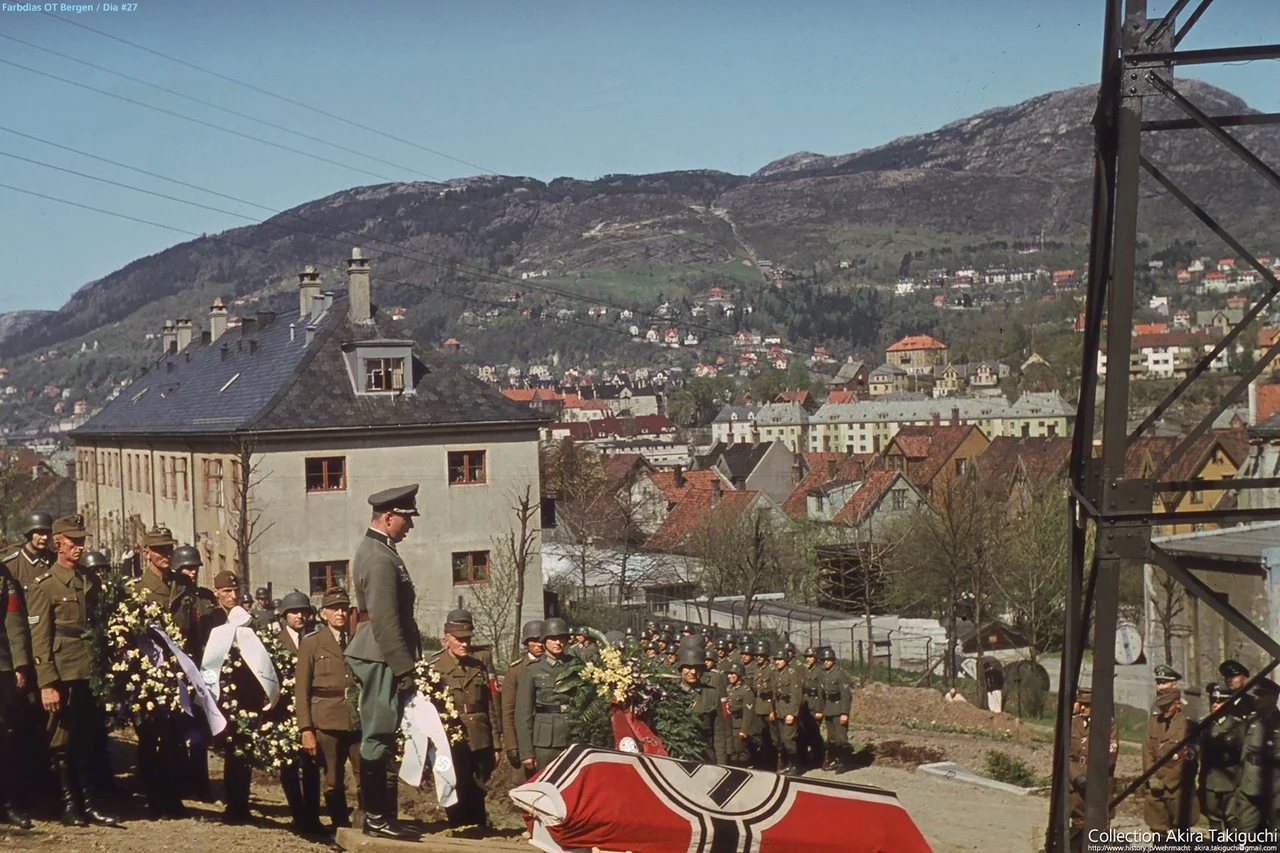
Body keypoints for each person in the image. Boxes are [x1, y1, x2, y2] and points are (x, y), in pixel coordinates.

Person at [27, 515, 119, 827]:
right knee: (62, 741)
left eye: (82, 541)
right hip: (63, 672)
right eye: (73, 541)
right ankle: (68, 805)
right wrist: (47, 682)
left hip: (88, 672)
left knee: (86, 738)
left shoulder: (88, 581)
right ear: (58, 543)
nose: (80, 547)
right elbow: (40, 640)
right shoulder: (45, 585)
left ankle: (86, 803)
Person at [344, 484, 423, 842]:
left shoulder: (381, 550)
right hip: (380, 654)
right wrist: (404, 667)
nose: (409, 526)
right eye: (406, 519)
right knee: (377, 735)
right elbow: (385, 620)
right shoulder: (379, 557)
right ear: (388, 517)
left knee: (382, 734)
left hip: (381, 652)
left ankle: (379, 816)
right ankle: (377, 817)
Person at [134, 526, 192, 819]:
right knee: (150, 736)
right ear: (147, 553)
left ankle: (173, 796)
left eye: (169, 549)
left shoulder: (182, 585)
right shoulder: (136, 589)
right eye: (160, 550)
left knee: (175, 737)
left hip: (179, 672)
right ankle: (153, 796)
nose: (166, 555)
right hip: (149, 675)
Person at [429, 610, 499, 831]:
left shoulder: (478, 666)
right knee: (454, 781)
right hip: (450, 738)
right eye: (459, 639)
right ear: (446, 639)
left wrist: (496, 743)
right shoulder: (435, 667)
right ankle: (458, 828)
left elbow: (490, 706)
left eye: (467, 639)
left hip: (479, 734)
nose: (464, 644)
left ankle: (479, 826)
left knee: (478, 784)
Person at [297, 587, 361, 830]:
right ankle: (339, 827)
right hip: (326, 720)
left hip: (356, 718)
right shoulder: (312, 643)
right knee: (333, 779)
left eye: (343, 608)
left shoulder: (357, 640)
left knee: (363, 776)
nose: (340, 613)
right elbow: (301, 690)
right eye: (334, 608)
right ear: (323, 614)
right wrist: (306, 728)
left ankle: (363, 824)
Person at [276, 591, 322, 834]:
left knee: (313, 766)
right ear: (285, 616)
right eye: (294, 612)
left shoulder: (314, 639)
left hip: (311, 710)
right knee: (289, 766)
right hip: (285, 713)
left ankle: (313, 817)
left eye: (303, 611)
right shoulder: (276, 640)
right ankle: (298, 815)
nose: (299, 616)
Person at [0, 529, 32, 829]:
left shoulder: (4, 576)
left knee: (6, 736)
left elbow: (14, 623)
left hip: (1, 667)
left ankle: (9, 803)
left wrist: (21, 663)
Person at [515, 618, 572, 774]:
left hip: (572, 737)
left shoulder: (575, 666)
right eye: (552, 638)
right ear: (544, 641)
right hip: (545, 742)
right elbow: (523, 713)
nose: (558, 642)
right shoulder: (532, 670)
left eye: (561, 638)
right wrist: (526, 752)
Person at [1143, 688, 1199, 837]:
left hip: (1178, 789)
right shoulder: (1154, 723)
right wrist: (1152, 777)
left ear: (1177, 704)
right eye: (1161, 706)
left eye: (1167, 705)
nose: (1163, 709)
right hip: (1155, 787)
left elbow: (1189, 762)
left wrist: (1167, 782)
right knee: (1158, 833)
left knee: (1180, 834)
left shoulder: (1188, 726)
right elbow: (1147, 751)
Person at [1067, 687, 1118, 852]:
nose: (1083, 708)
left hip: (1098, 785)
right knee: (1077, 827)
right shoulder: (1072, 724)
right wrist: (1077, 776)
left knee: (1098, 829)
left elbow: (1110, 757)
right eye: (1081, 703)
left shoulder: (1108, 725)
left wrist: (1091, 777)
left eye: (1087, 704)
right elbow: (1065, 755)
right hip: (1076, 786)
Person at [1227, 678, 1280, 831]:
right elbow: (1243, 750)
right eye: (1256, 694)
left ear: (1273, 697)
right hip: (1249, 783)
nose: (1256, 698)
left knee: (1275, 831)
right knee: (1245, 829)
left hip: (1274, 785)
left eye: (1261, 695)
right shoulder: (1251, 720)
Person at [1198, 682, 1245, 831]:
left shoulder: (1238, 725)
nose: (1215, 705)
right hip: (1210, 780)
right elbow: (1203, 756)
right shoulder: (1205, 725)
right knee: (1213, 820)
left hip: (1231, 781)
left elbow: (1243, 755)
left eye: (1219, 702)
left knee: (1233, 821)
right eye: (1213, 701)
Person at [676, 645, 728, 765]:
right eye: (688, 667)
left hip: (704, 757)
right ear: (680, 668)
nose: (693, 672)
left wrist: (721, 765)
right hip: (676, 757)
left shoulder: (712, 694)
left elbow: (719, 734)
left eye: (697, 668)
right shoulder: (670, 692)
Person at [816, 648, 851, 772]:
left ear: (833, 660)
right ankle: (834, 759)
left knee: (841, 738)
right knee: (831, 738)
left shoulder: (839, 673)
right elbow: (820, 694)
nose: (826, 662)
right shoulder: (822, 673)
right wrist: (819, 710)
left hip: (838, 707)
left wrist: (844, 713)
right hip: (828, 709)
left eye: (828, 659)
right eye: (824, 660)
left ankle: (844, 762)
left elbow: (846, 694)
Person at [723, 661, 759, 767]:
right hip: (729, 724)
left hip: (739, 726)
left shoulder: (746, 691)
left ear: (739, 675)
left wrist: (744, 730)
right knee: (731, 751)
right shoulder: (728, 688)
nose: (729, 676)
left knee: (741, 751)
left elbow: (748, 713)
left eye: (732, 674)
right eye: (729, 674)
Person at [798, 647, 823, 770]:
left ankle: (819, 756)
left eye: (810, 657)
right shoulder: (805, 670)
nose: (808, 659)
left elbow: (821, 692)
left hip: (814, 704)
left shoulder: (819, 671)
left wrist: (819, 709)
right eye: (806, 657)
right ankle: (805, 758)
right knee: (803, 732)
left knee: (814, 733)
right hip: (805, 705)